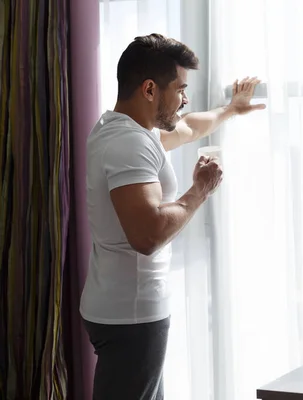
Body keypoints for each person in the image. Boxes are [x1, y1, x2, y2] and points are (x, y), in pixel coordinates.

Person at [80, 33, 265, 400]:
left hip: (121, 308)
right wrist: (201, 189)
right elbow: (147, 235)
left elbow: (190, 126)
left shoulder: (126, 129)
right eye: (180, 89)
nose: (185, 98)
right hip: (130, 315)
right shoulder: (127, 144)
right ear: (150, 89)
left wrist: (230, 109)